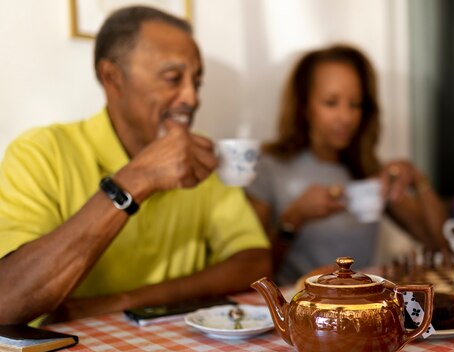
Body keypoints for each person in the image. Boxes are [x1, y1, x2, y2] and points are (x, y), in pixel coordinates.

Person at [0, 6, 271, 325]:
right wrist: (134, 181)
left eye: (196, 82)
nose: (192, 98)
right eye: (173, 78)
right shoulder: (42, 153)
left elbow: (254, 261)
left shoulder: (199, 156)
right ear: (112, 78)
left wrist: (124, 302)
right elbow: (7, 302)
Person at [245, 44, 449, 285]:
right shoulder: (269, 168)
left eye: (355, 105)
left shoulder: (368, 172)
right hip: (301, 310)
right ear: (304, 106)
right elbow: (251, 272)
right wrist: (294, 218)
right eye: (331, 103)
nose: (346, 117)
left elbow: (440, 244)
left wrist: (418, 178)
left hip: (361, 309)